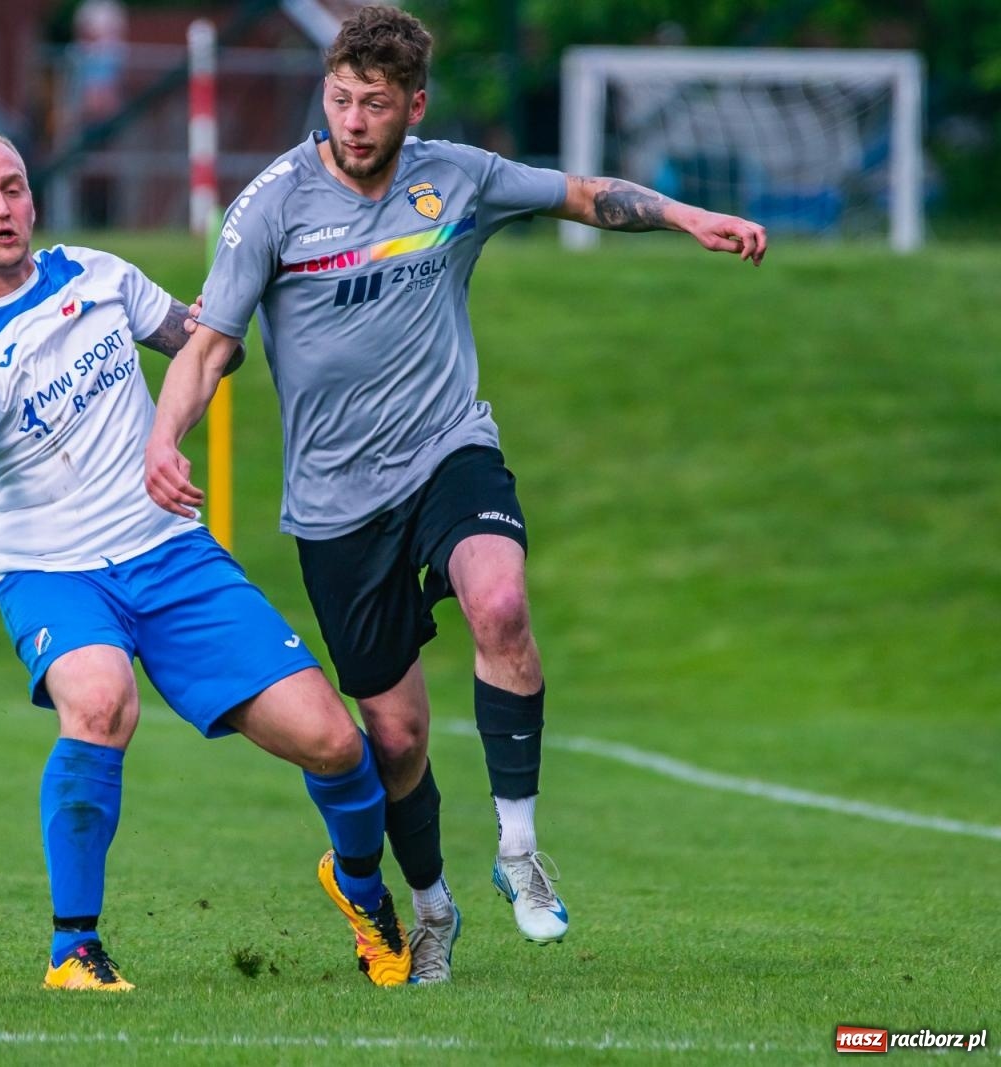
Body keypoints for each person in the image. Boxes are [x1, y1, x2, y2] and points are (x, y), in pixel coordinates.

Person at [144, 5, 767, 984]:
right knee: (392, 736)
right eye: (342, 98)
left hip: (446, 452)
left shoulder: (457, 176)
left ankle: (519, 849)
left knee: (501, 599)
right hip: (335, 505)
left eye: (375, 104)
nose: (353, 120)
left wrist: (689, 216)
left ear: (412, 106)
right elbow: (211, 345)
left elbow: (579, 192)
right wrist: (161, 433)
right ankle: (430, 904)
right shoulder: (269, 206)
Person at [0, 129, 413, 991]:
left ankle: (362, 891)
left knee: (333, 742)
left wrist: (230, 336)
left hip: (171, 555)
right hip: (54, 575)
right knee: (101, 701)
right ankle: (74, 951)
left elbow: (206, 342)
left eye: (13, 188)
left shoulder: (99, 276)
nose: (1, 209)